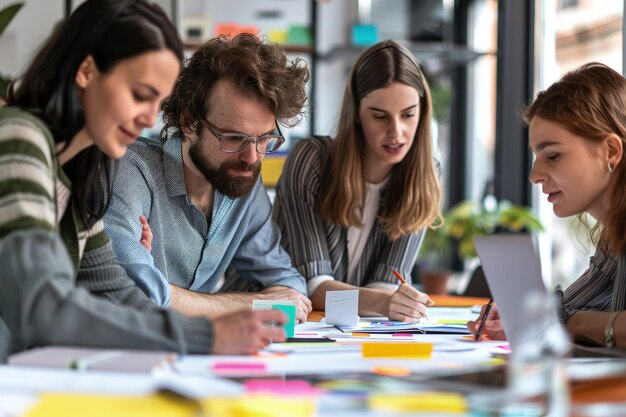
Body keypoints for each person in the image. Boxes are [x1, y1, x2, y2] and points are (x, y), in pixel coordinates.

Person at [0, 0, 287, 362]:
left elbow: (116, 292)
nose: (149, 117)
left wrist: (204, 333)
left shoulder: (82, 172)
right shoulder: (19, 138)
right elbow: (41, 306)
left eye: (158, 101)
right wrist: (205, 334)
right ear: (87, 71)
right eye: (140, 95)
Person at [103, 34, 312, 322]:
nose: (252, 157)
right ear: (189, 122)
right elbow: (132, 291)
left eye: (264, 139)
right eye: (233, 137)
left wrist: (188, 301)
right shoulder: (130, 170)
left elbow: (289, 285)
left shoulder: (242, 182)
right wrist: (252, 304)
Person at [272, 40, 442, 322]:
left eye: (409, 114)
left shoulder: (427, 173)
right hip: (277, 323)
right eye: (379, 116)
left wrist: (390, 300)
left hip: (346, 333)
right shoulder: (311, 160)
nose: (396, 132)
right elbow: (314, 287)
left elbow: (386, 284)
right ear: (357, 115)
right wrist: (386, 301)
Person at [468, 62, 626, 348]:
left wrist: (580, 324)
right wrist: (521, 317)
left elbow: (572, 320)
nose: (534, 176)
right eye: (536, 157)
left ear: (611, 151)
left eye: (552, 156)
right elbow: (564, 312)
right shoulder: (614, 236)